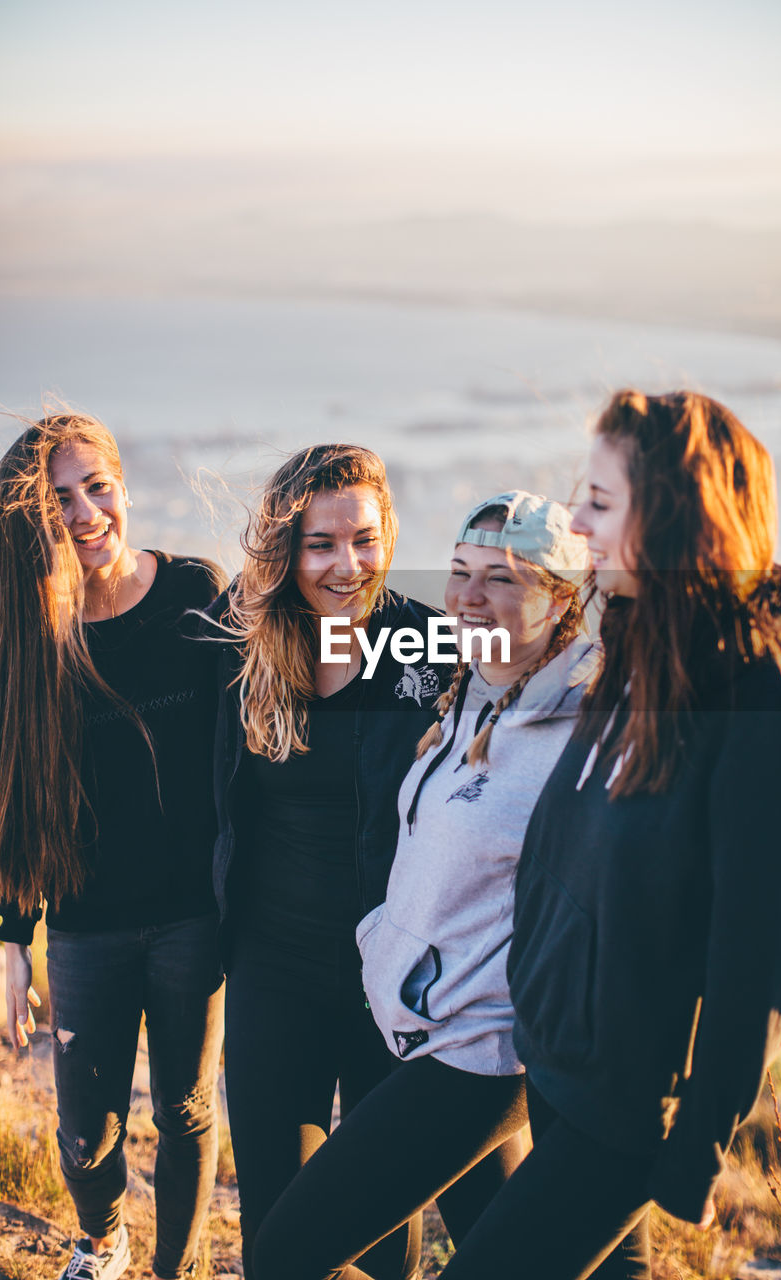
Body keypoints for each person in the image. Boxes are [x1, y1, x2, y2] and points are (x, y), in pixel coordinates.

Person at [433, 390, 781, 1279]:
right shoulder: (639, 645)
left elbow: (763, 954)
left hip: (625, 1107)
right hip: (559, 1062)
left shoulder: (758, 705)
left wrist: (696, 1148)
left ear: (677, 519)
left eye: (601, 503)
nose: (575, 520)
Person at [249, 489, 660, 1280]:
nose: (469, 596)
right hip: (426, 1024)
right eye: (462, 570)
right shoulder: (476, 682)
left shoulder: (590, 726)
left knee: (288, 1253)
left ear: (562, 597)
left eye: (504, 579)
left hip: (480, 1048)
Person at [0, 414, 226, 1280]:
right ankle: (103, 1237)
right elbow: (15, 793)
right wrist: (16, 942)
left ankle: (173, 1268)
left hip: (195, 913)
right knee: (85, 1132)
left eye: (97, 487)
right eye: (58, 503)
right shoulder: (28, 634)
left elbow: (250, 747)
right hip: (85, 921)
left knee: (188, 1109)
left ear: (123, 485)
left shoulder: (197, 593)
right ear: (29, 525)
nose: (86, 513)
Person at [210, 442, 466, 1280]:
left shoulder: (428, 648)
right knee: (278, 1226)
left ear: (388, 531)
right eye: (321, 544)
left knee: (382, 1230)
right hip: (272, 970)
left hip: (391, 977)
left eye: (363, 538)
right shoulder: (246, 651)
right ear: (288, 551)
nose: (346, 565)